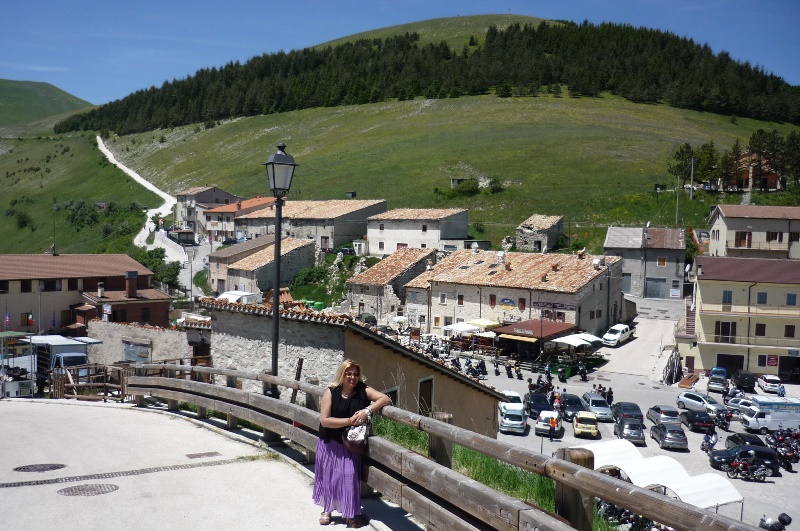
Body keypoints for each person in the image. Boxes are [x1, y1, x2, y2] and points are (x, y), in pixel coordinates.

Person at [314, 360, 392, 527]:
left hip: (350, 443)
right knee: (329, 476)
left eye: (355, 373)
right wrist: (349, 420)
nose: (352, 377)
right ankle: (327, 509)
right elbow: (325, 421)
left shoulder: (363, 390)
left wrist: (368, 410)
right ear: (342, 374)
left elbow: (385, 398)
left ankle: (349, 513)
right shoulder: (331, 392)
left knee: (349, 476)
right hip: (330, 440)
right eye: (348, 373)